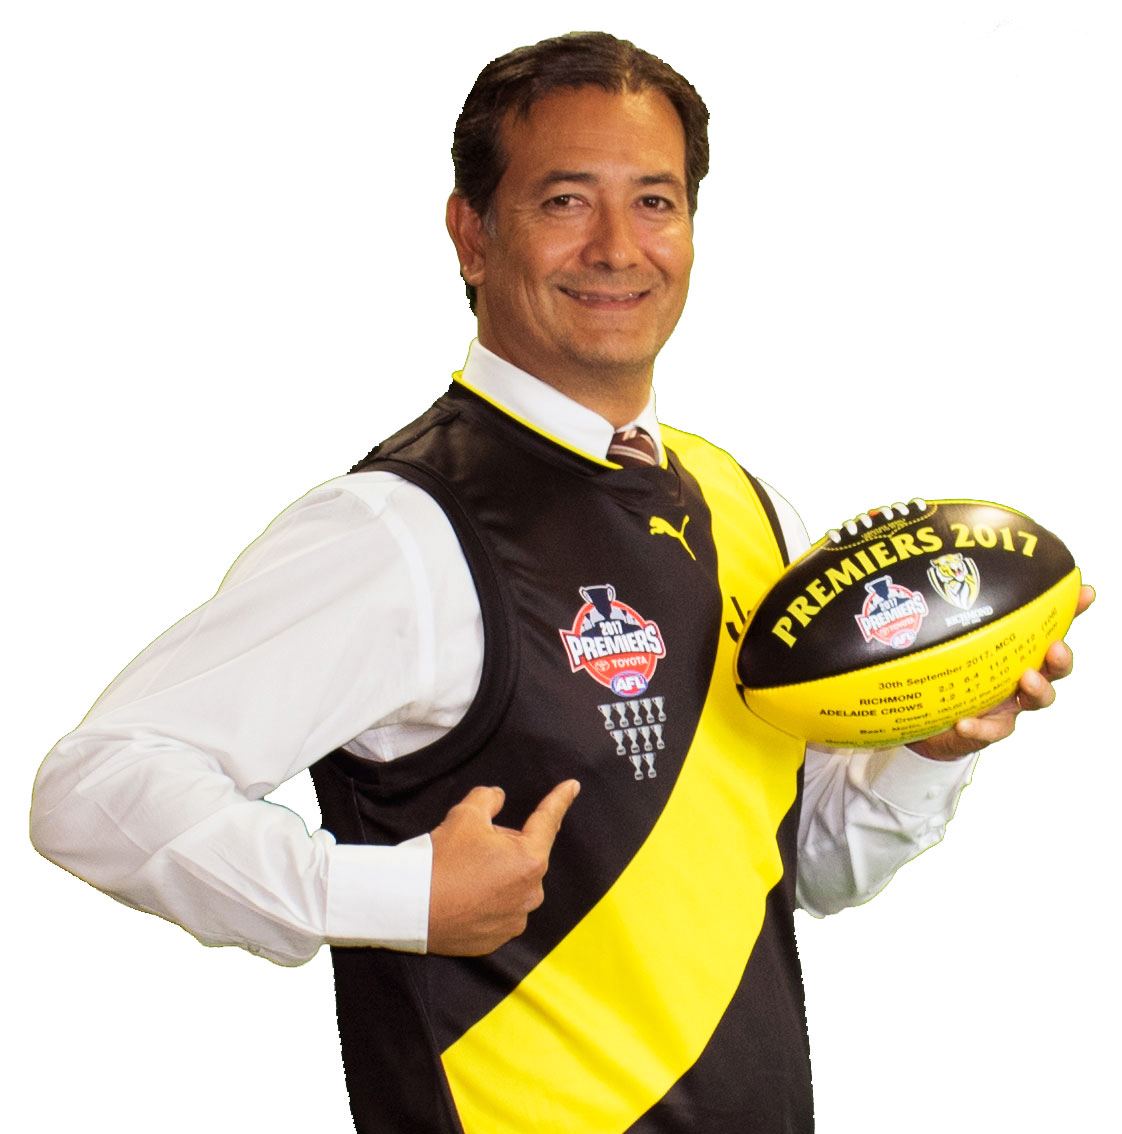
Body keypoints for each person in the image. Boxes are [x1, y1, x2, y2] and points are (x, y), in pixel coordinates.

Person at [30, 31, 1090, 1134]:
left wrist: (924, 747)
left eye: (655, 202)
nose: (618, 247)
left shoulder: (753, 510)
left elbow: (806, 867)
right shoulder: (400, 531)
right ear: (472, 235)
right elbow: (94, 786)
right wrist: (392, 897)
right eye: (565, 201)